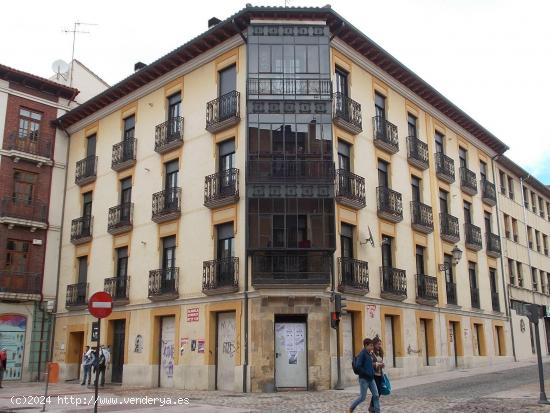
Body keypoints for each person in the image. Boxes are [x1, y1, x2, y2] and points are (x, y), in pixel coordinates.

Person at [348, 338, 380, 413]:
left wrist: (372, 370)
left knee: (376, 395)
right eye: (371, 345)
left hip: (371, 379)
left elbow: (369, 365)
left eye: (372, 345)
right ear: (366, 345)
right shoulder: (362, 354)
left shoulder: (370, 353)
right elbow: (358, 366)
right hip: (364, 379)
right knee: (362, 397)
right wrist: (366, 373)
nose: (372, 347)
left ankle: (377, 411)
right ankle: (350, 409)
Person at [369, 336, 385, 413]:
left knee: (379, 391)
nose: (379, 346)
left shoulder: (380, 352)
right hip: (374, 375)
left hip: (380, 374)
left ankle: (372, 406)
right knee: (376, 392)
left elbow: (381, 362)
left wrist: (382, 365)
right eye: (378, 344)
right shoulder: (371, 353)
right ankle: (372, 408)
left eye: (380, 344)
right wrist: (377, 364)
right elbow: (369, 364)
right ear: (374, 344)